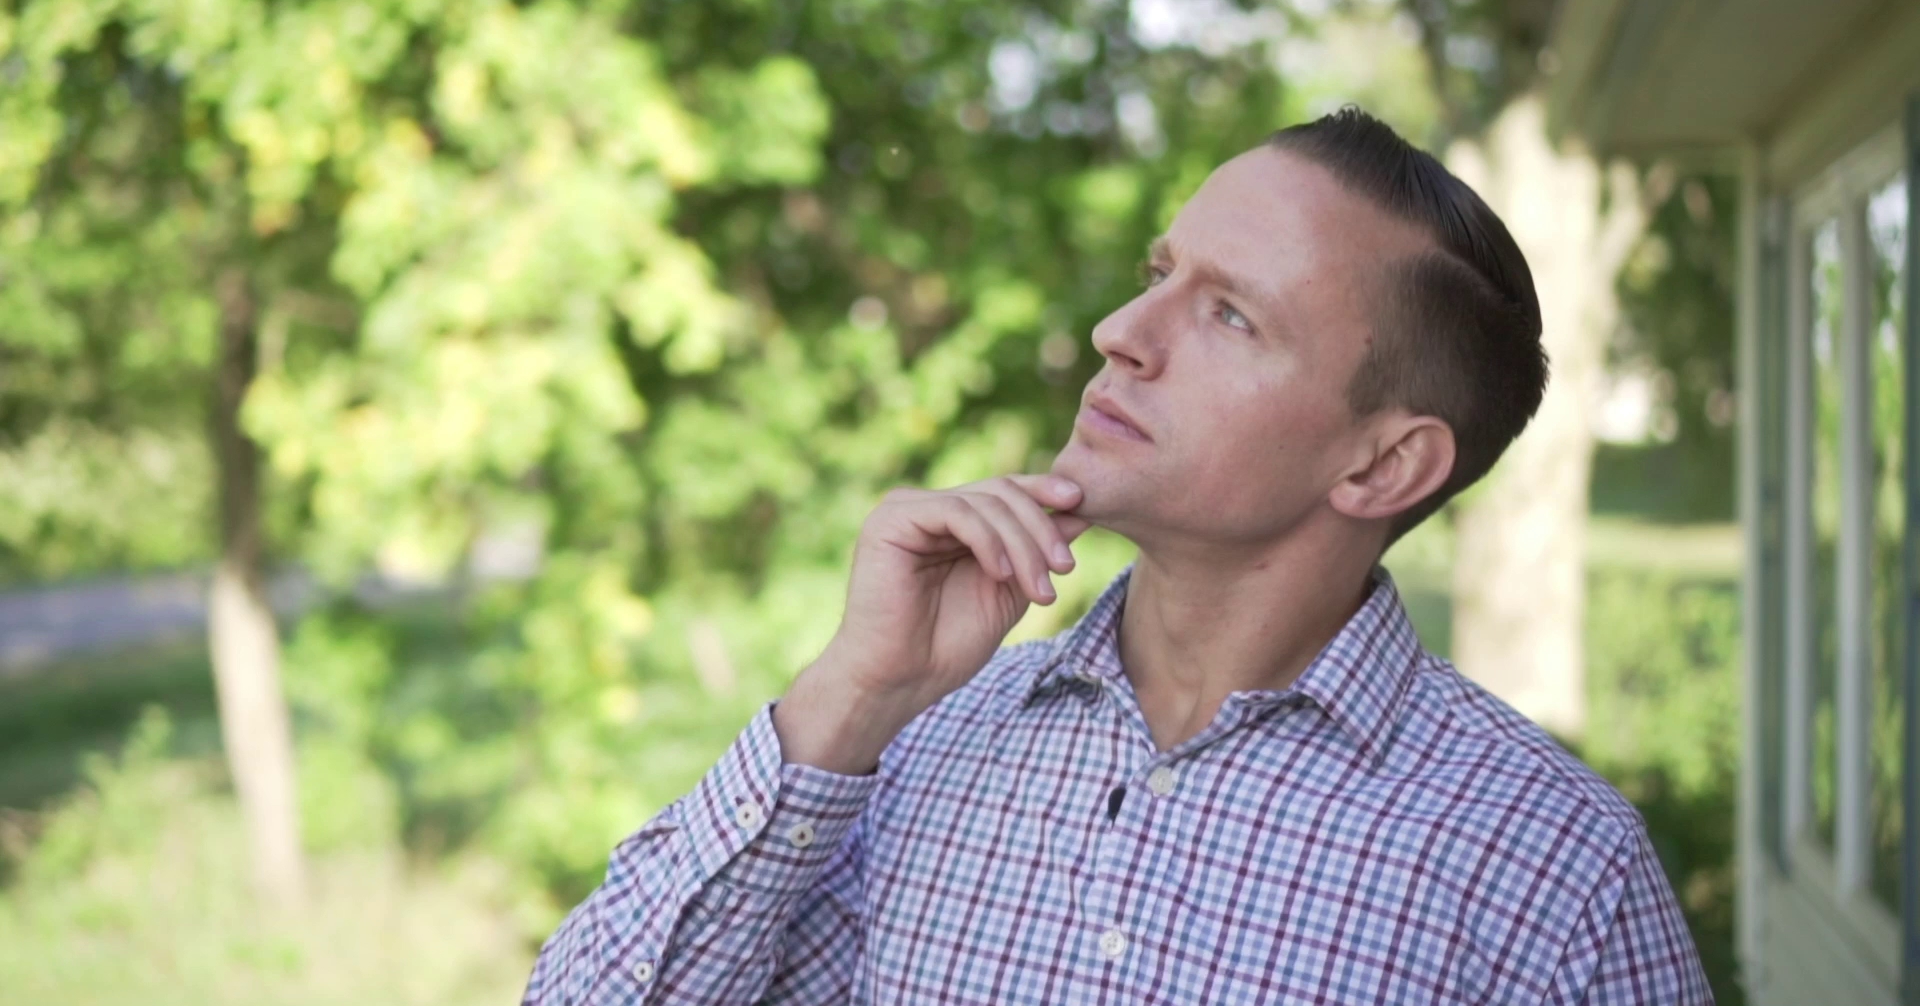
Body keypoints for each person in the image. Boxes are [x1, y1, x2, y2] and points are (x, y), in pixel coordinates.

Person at [519, 107, 1712, 1005]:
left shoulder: (1557, 872)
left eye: (1230, 314)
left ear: (1383, 466)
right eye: (1159, 275)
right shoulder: (923, 739)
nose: (1120, 334)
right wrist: (851, 694)